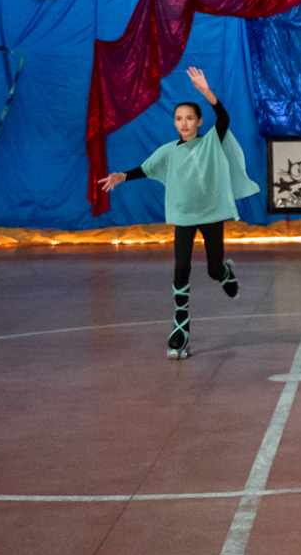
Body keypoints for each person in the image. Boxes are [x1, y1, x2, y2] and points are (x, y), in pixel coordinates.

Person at [97, 67, 258, 359]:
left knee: (212, 269)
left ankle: (224, 272)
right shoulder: (168, 151)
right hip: (184, 217)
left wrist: (206, 92)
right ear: (174, 123)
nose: (184, 123)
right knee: (181, 267)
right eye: (179, 118)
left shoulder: (211, 142)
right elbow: (146, 169)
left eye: (189, 118)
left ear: (199, 121)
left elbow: (224, 118)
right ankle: (180, 325)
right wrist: (122, 176)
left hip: (211, 214)